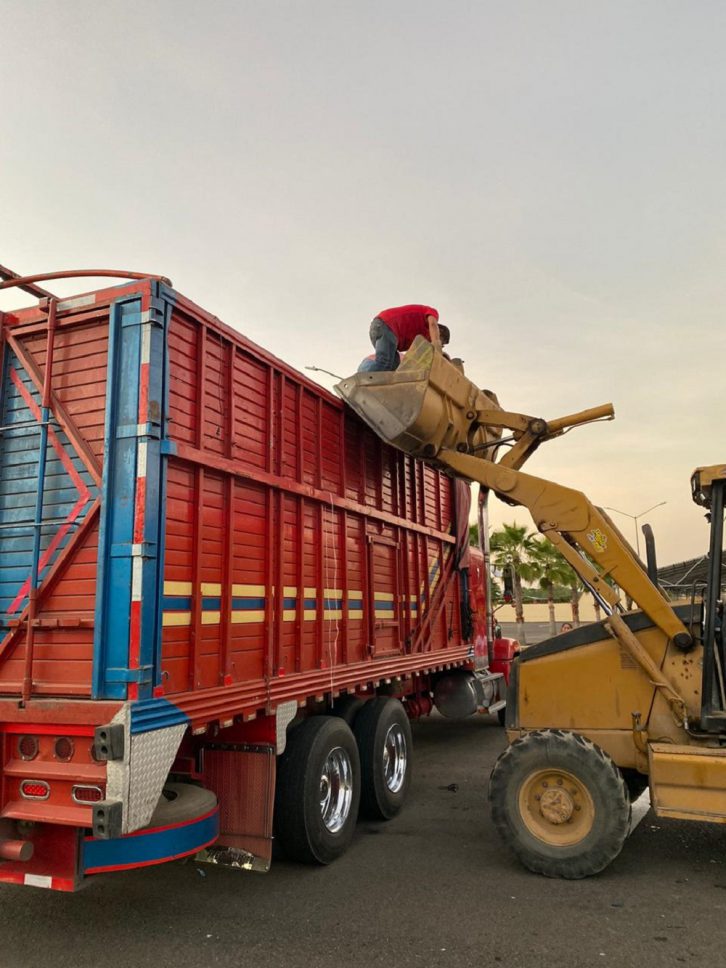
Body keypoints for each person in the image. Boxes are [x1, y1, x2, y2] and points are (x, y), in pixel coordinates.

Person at [361, 304, 450, 372]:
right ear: (439, 332)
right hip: (386, 325)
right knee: (384, 364)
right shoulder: (432, 314)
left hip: (383, 330)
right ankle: (361, 376)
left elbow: (414, 358)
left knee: (394, 368)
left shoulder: (420, 338)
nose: (441, 346)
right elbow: (433, 324)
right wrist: (437, 345)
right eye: (442, 343)